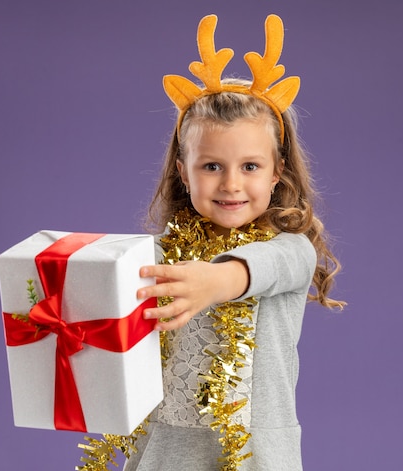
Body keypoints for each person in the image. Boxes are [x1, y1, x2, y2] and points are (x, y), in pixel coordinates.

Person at [92, 14, 344, 471]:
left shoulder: (291, 249)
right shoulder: (157, 257)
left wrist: (218, 279)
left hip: (254, 457)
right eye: (211, 166)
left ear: (276, 173)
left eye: (250, 166)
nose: (231, 183)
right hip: (165, 452)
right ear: (183, 172)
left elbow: (266, 267)